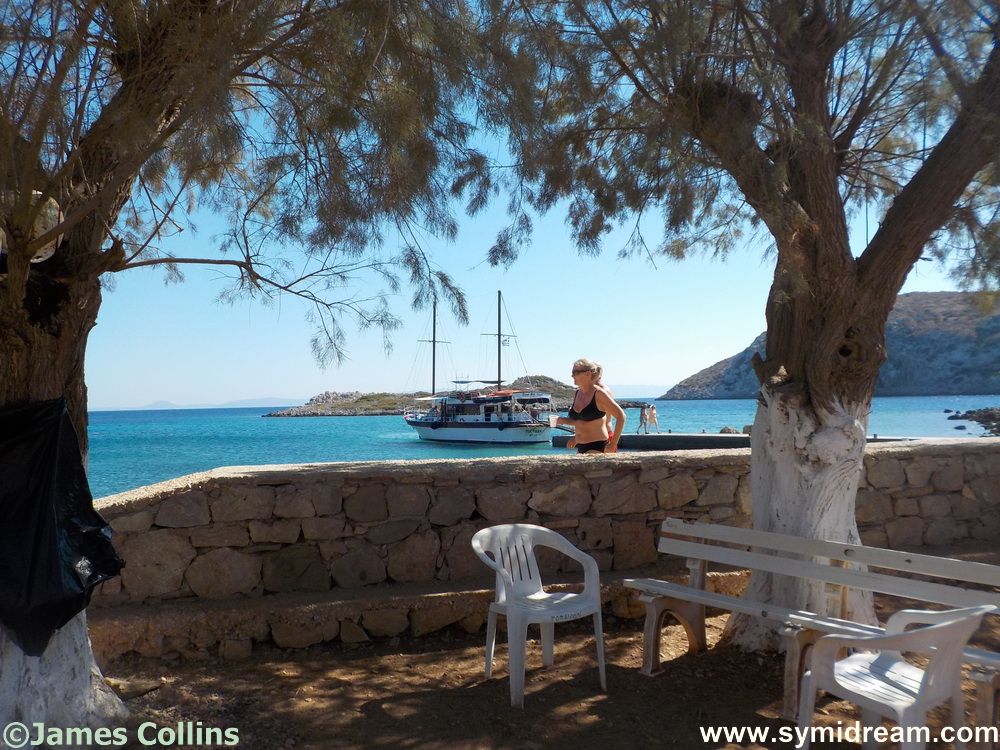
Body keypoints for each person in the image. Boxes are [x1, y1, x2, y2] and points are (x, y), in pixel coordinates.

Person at [554, 358, 626, 453]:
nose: (572, 375)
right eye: (572, 372)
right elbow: (580, 421)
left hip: (597, 446)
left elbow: (621, 416)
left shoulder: (599, 394)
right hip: (580, 447)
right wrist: (560, 420)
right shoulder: (577, 393)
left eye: (576, 372)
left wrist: (612, 445)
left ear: (588, 374)